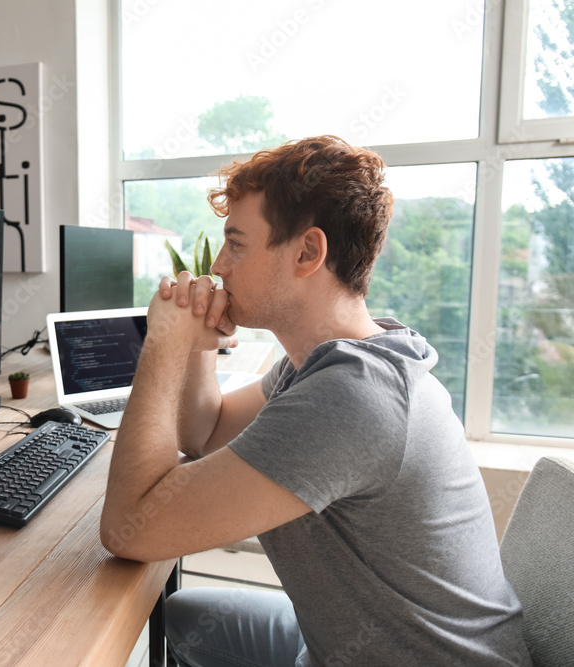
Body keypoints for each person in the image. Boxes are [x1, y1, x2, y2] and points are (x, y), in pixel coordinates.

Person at [99, 136, 530, 666]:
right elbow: (204, 432)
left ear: (307, 252)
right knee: (187, 618)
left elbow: (129, 528)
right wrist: (197, 346)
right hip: (331, 647)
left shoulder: (353, 398)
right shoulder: (325, 363)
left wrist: (162, 343)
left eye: (236, 243)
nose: (221, 267)